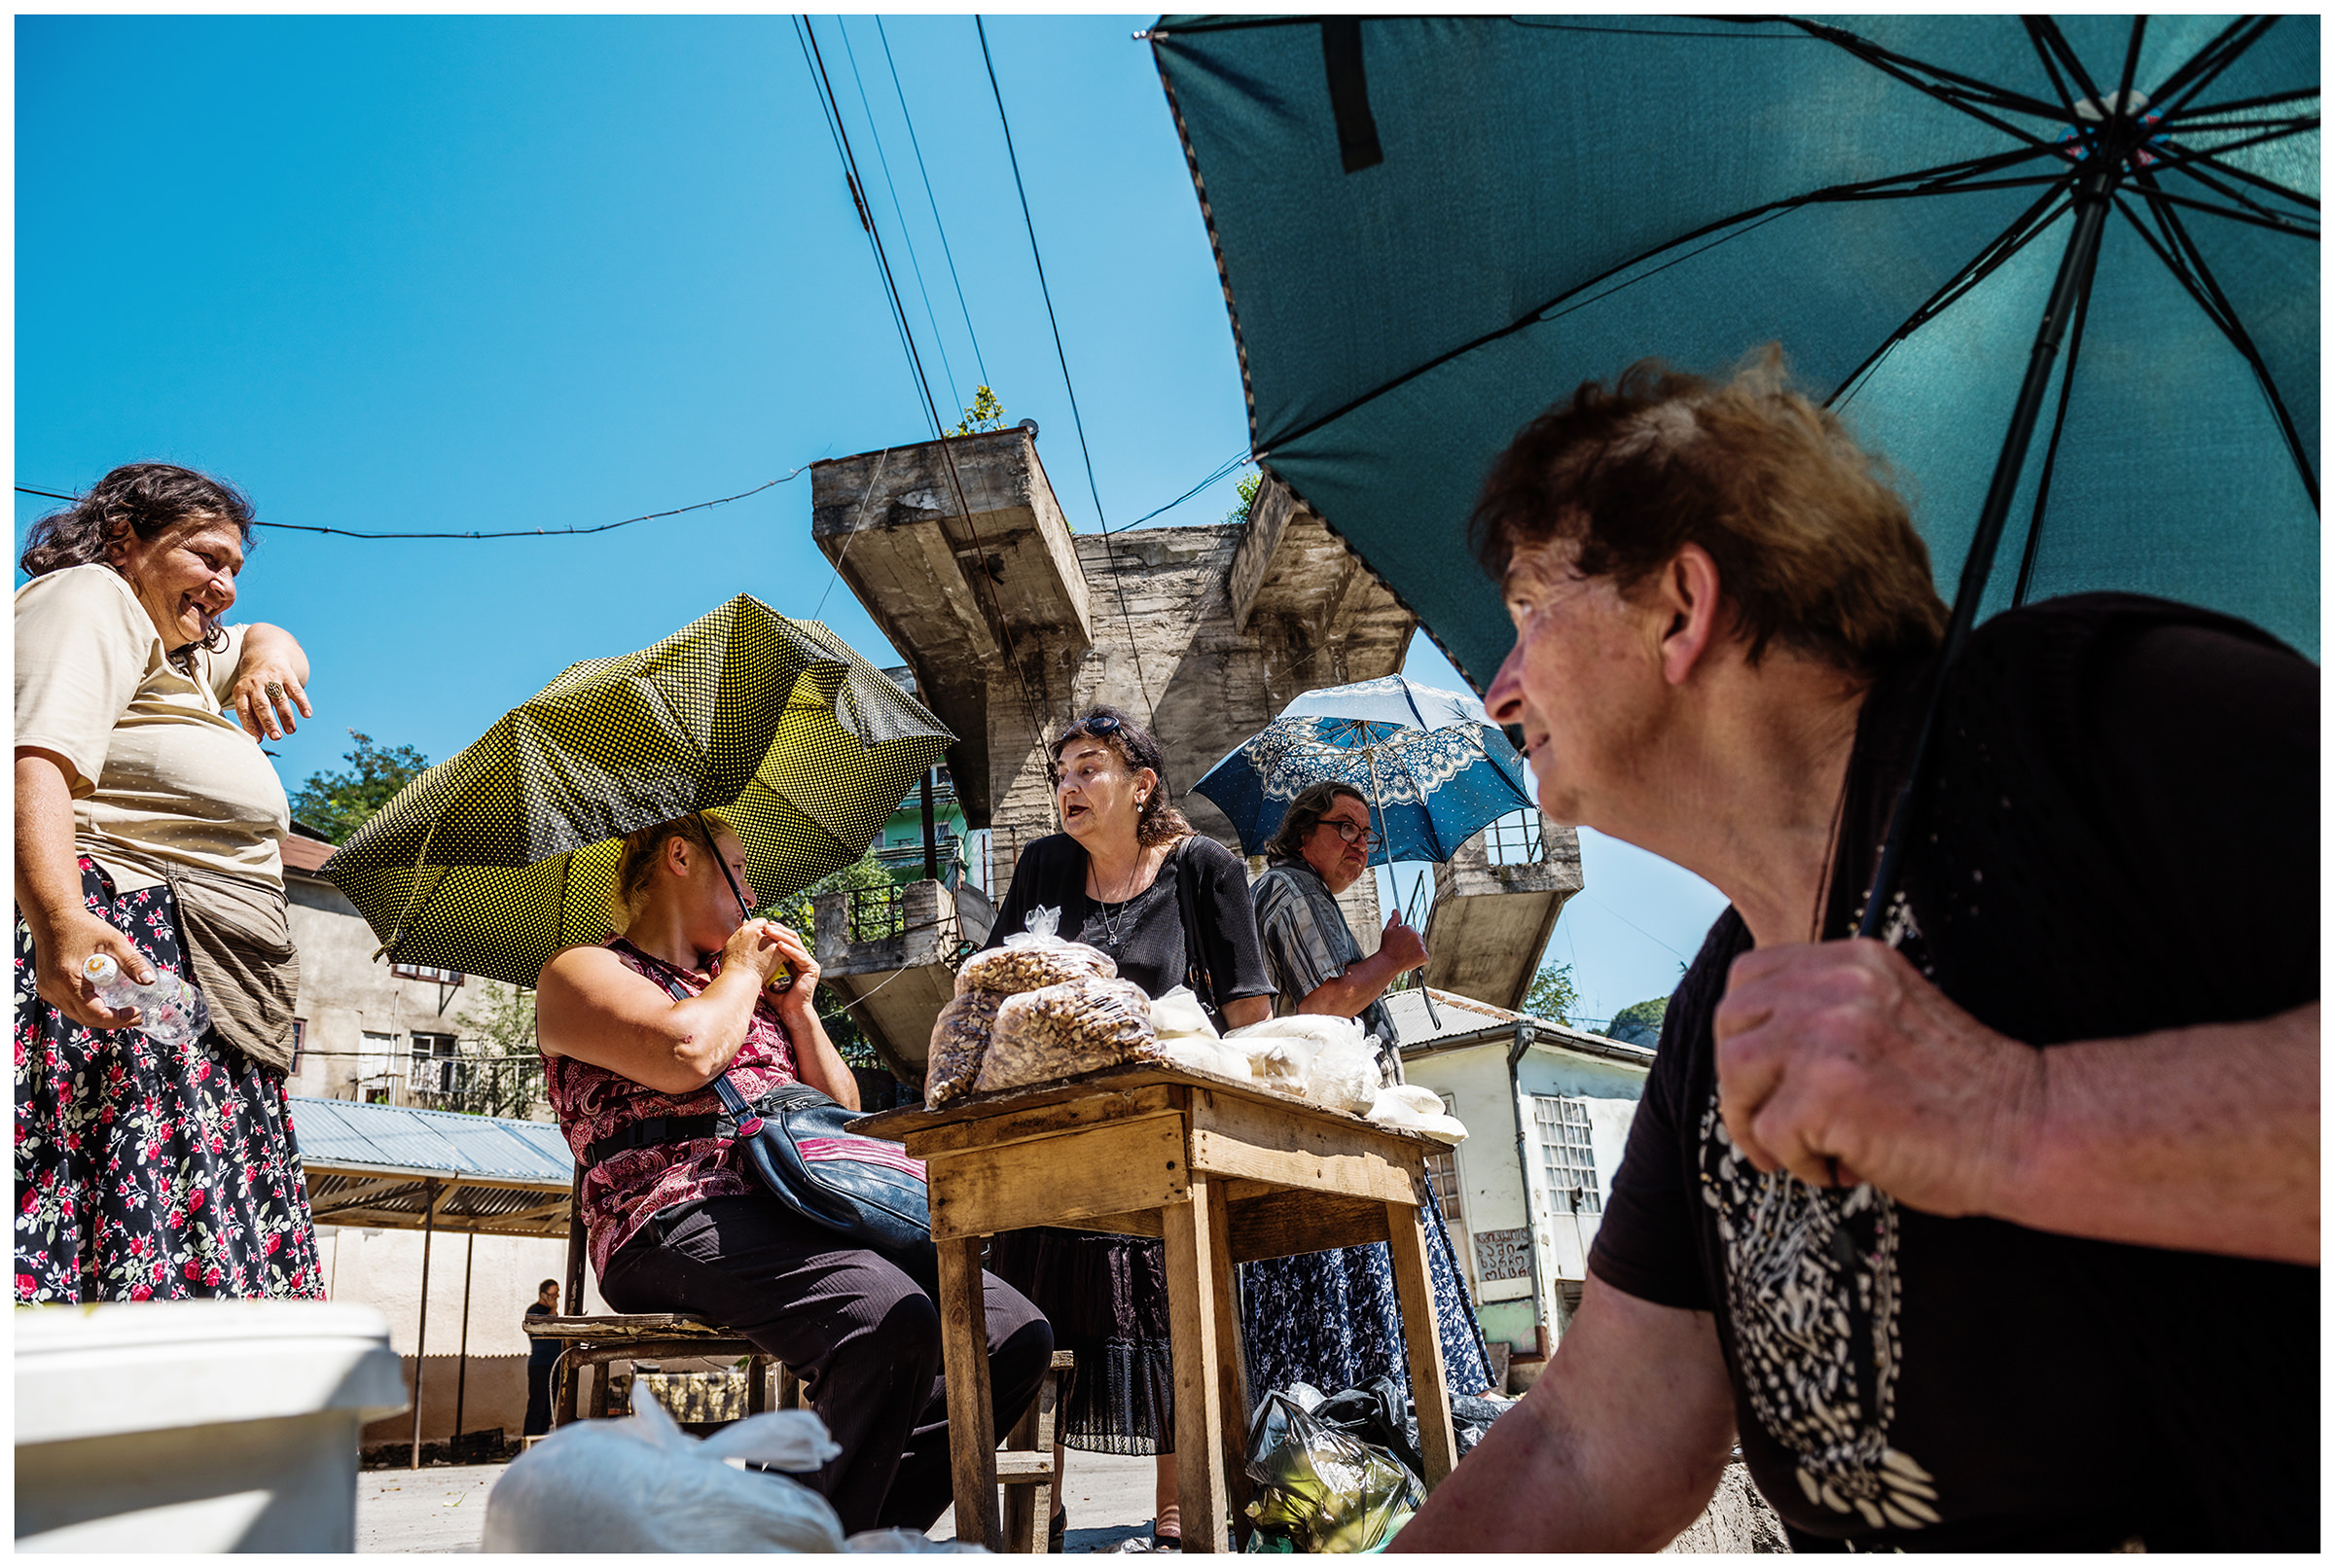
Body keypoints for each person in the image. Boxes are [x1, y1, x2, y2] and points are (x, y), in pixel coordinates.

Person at [1391, 353, 2317, 1552]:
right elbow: (1593, 1442)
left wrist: (2016, 1114)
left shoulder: (2089, 720)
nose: (1503, 689)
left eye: (1527, 613)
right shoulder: (1719, 1006)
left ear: (1681, 601)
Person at [534, 812, 1052, 1535]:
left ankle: (843, 1535)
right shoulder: (582, 970)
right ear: (682, 857)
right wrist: (742, 972)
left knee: (1013, 1332)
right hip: (670, 1214)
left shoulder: (743, 994)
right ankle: (786, 1541)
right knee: (882, 1319)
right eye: (739, 870)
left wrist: (800, 1012)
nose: (751, 889)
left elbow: (845, 1118)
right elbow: (686, 1054)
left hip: (797, 1205)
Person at [14, 463, 324, 1303]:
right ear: (124, 540)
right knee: (123, 1201)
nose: (222, 587)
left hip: (208, 954)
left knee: (197, 1214)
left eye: (235, 568)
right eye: (206, 558)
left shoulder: (178, 650)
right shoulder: (91, 598)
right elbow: (30, 761)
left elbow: (269, 633)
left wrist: (263, 656)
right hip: (130, 929)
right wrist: (60, 924)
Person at [983, 707, 1277, 1552]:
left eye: (1087, 769)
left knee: (1160, 1311)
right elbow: (1000, 980)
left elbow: (1249, 1012)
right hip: (1056, 1131)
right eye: (1062, 773)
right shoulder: (1043, 866)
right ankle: (1039, 1514)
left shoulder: (1204, 869)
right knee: (1039, 1306)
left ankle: (1178, 1515)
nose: (1068, 786)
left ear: (1141, 785)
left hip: (1162, 1133)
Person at [1243, 783, 1495, 1408]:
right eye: (1344, 828)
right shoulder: (1289, 888)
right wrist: (1393, 958)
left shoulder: (1313, 896)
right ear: (1305, 834)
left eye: (1367, 832)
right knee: (1360, 1321)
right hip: (1331, 1145)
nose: (1360, 843)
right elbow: (1324, 1005)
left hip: (1351, 1137)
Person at [523, 1278, 561, 1438]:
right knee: (537, 1406)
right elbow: (546, 1331)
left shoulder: (552, 1313)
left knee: (548, 1407)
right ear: (543, 1295)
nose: (556, 1298)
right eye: (553, 1295)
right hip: (540, 1365)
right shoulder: (534, 1312)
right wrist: (552, 1312)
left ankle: (542, 1439)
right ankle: (530, 1438)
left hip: (554, 1363)